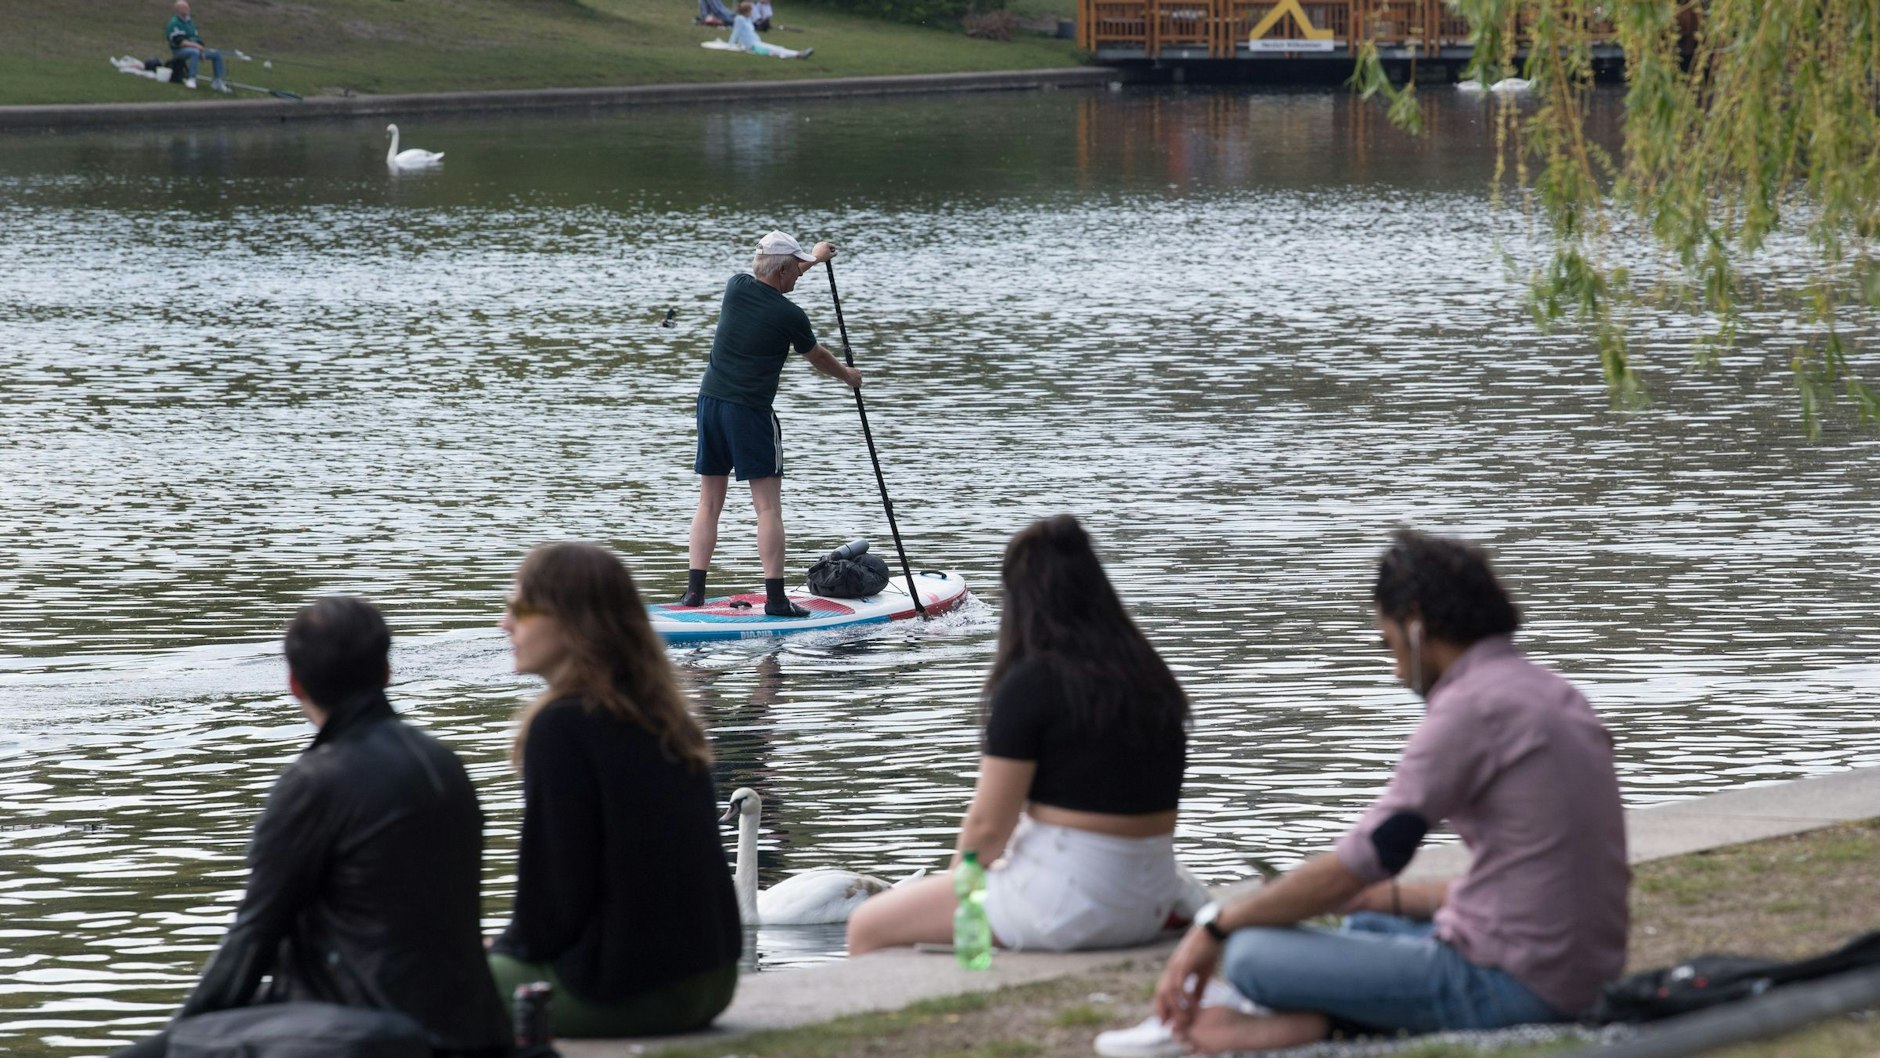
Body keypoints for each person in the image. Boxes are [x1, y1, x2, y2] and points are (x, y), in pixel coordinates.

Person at [1141, 530, 1628, 1056]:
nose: (1397, 670)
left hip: (1521, 987)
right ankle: (1332, 1014)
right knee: (1370, 918)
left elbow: (1369, 856)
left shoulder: (1470, 707)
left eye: (1388, 643)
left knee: (1251, 953)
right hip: (1580, 969)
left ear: (1415, 623)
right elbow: (1535, 877)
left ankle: (1322, 1029)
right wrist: (1386, 899)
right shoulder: (1548, 690)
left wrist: (1215, 926)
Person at [114, 598, 511, 1058]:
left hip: (377, 1032)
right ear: (385, 672)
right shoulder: (444, 762)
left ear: (294, 683)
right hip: (476, 1026)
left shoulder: (312, 784)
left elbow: (253, 937)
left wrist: (179, 1038)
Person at [847, 514, 1195, 954]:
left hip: (1071, 904)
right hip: (1153, 897)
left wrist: (961, 894)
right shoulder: (1152, 677)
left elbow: (988, 828)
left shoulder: (1032, 683)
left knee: (867, 925)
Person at [490, 541, 742, 1037]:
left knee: (424, 976)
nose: (505, 623)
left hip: (628, 990)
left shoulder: (561, 727)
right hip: (712, 977)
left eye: (520, 607)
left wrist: (495, 954)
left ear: (571, 620)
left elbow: (552, 904)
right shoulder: (665, 717)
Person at [683, 231, 851, 615]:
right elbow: (818, 356)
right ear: (782, 271)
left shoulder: (736, 286)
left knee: (709, 503)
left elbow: (777, 272)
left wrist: (814, 258)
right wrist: (848, 377)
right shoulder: (789, 315)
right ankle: (776, 600)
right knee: (768, 509)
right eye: (795, 269)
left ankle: (693, 593)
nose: (798, 276)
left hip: (710, 405)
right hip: (750, 413)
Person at [164, 1, 229, 93]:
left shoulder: (190, 22)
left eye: (187, 7)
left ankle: (217, 80)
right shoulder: (174, 23)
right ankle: (191, 78)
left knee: (216, 54)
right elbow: (180, 42)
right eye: (184, 8)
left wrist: (201, 48)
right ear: (178, 9)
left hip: (196, 48)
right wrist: (197, 47)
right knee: (194, 52)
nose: (187, 10)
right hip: (179, 51)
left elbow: (197, 38)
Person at [725, 2, 814, 59]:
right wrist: (730, 45)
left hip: (755, 43)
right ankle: (798, 54)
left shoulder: (747, 19)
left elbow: (749, 33)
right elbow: (735, 32)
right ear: (746, 11)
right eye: (750, 11)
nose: (752, 13)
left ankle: (798, 53)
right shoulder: (739, 19)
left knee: (776, 48)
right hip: (752, 46)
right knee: (774, 50)